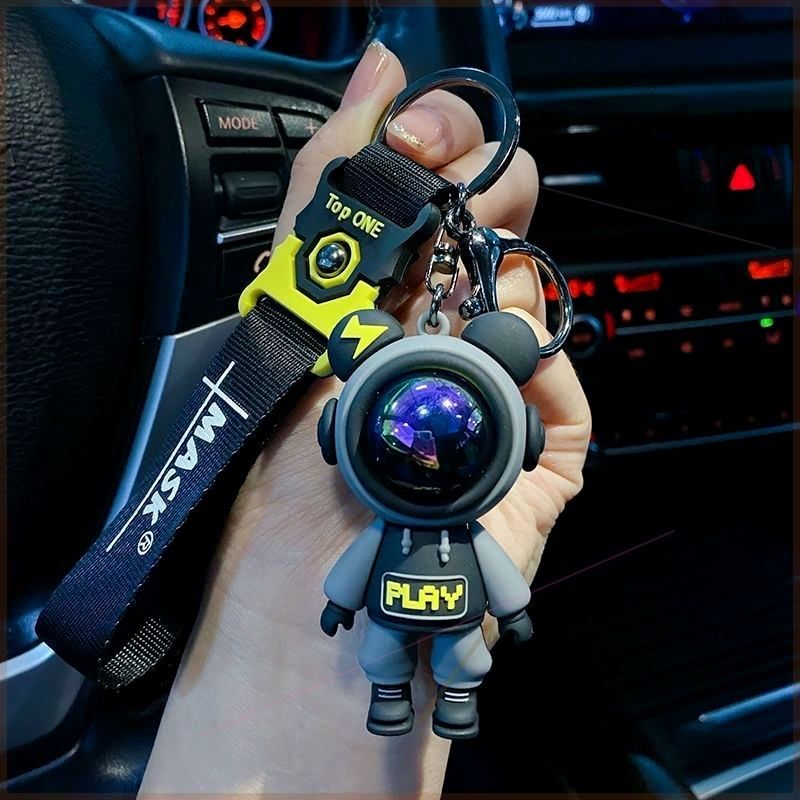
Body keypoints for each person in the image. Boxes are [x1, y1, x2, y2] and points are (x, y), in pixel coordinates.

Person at [139, 41, 591, 796]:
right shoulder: (407, 518)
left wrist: (496, 614)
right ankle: (391, 697)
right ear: (337, 436)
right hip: (404, 610)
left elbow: (368, 577)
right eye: (412, 433)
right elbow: (357, 575)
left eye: (447, 435)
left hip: (427, 607)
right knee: (393, 659)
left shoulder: (439, 519)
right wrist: (308, 634)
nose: (427, 444)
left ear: (519, 446)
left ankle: (444, 700)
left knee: (455, 661)